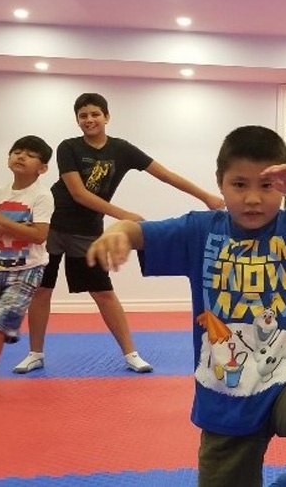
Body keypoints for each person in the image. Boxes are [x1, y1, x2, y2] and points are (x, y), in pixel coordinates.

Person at [87, 125, 286, 486]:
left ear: (284, 187)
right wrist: (117, 232)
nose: (253, 198)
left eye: (267, 186)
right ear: (220, 182)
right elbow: (138, 231)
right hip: (226, 392)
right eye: (239, 185)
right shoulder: (200, 231)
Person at [13, 93, 225, 375]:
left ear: (107, 117)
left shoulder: (121, 149)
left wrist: (205, 196)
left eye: (95, 114)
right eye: (83, 116)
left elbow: (164, 174)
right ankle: (35, 353)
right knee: (42, 290)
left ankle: (131, 353)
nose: (89, 120)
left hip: (86, 230)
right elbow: (78, 193)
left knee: (102, 292)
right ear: (77, 120)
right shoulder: (69, 147)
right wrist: (124, 215)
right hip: (52, 223)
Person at [0, 135, 54, 407]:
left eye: (30, 154)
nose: (21, 156)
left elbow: (38, 235)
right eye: (17, 151)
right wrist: (12, 227)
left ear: (42, 168)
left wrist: (0, 221)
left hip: (26, 270)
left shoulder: (41, 196)